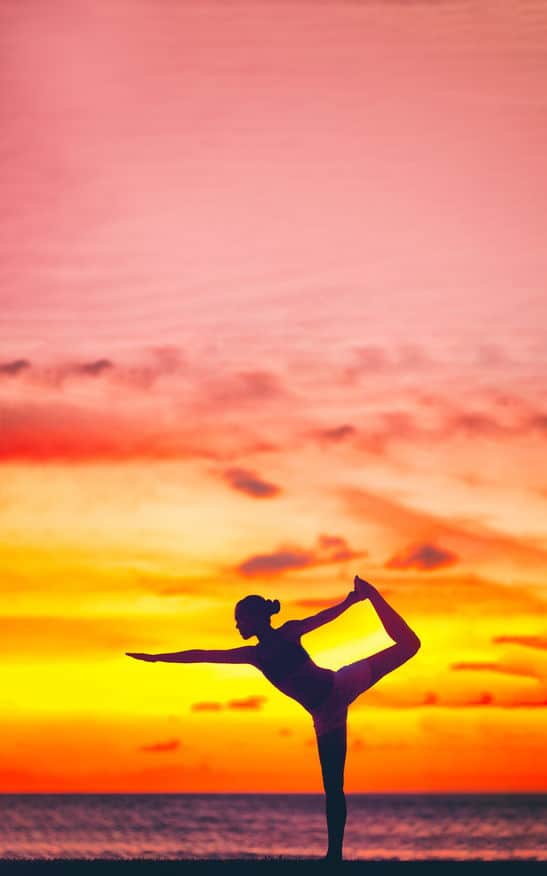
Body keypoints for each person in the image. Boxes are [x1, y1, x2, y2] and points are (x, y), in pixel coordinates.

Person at [126, 575, 420, 862]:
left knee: (410, 645)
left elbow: (324, 618)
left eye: (240, 618)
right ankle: (334, 857)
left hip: (340, 684)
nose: (237, 625)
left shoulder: (289, 633)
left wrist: (352, 601)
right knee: (333, 786)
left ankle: (373, 595)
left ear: (255, 618)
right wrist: (157, 658)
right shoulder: (254, 655)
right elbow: (204, 654)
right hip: (324, 715)